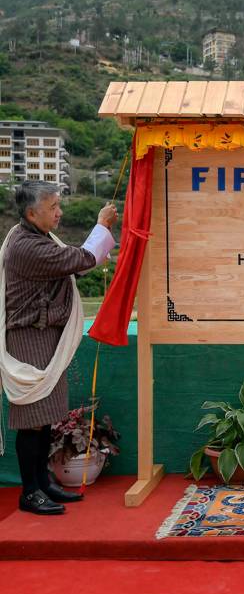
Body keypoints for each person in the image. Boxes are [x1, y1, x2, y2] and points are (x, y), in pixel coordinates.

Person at [0, 181, 117, 515]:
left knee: (48, 416)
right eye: (53, 207)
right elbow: (80, 259)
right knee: (33, 419)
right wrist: (102, 225)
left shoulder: (36, 237)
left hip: (45, 336)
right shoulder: (28, 246)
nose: (59, 212)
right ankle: (30, 491)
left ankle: (43, 480)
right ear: (31, 212)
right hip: (28, 338)